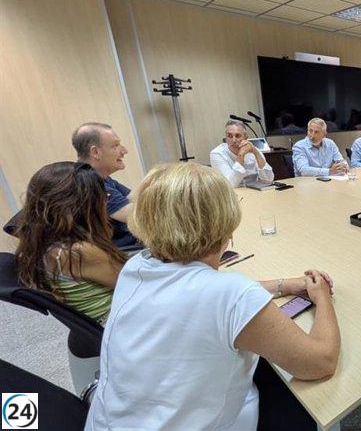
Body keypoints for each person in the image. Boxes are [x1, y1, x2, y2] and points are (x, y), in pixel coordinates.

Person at [85, 163, 341, 431]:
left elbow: (201, 292)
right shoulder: (231, 296)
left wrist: (284, 284)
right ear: (225, 224)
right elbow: (321, 362)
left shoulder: (137, 266)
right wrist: (322, 297)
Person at [14, 162, 126, 323]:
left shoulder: (44, 242)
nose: (105, 202)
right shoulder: (77, 252)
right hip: (118, 326)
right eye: (103, 197)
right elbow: (136, 285)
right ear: (84, 206)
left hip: (101, 322)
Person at [72, 122, 138, 248]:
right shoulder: (89, 184)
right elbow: (140, 219)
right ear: (95, 152)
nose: (124, 151)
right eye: (115, 146)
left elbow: (138, 198)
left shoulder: (102, 178)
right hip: (119, 255)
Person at [210, 120, 274, 187]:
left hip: (255, 192)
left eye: (237, 136)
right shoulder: (217, 154)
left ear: (246, 137)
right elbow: (230, 184)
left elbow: (269, 179)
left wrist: (256, 153)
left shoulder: (254, 150)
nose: (233, 140)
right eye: (229, 136)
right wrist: (241, 155)